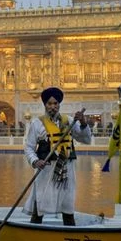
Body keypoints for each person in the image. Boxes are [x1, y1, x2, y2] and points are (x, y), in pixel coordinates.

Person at [23, 86, 91, 225]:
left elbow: (86, 139)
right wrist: (35, 161)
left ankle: (69, 231)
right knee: (41, 202)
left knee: (67, 204)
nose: (52, 107)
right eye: (49, 104)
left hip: (67, 171)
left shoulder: (69, 121)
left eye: (55, 103)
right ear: (45, 105)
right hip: (46, 170)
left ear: (59, 105)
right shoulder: (37, 124)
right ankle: (33, 230)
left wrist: (83, 122)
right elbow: (29, 148)